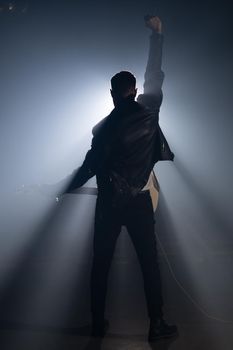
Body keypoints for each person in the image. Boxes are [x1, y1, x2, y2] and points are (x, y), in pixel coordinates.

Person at [62, 15, 178, 342]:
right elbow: (154, 74)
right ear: (135, 91)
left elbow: (86, 169)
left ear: (111, 93)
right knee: (149, 266)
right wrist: (158, 36)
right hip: (141, 202)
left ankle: (98, 325)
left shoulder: (102, 131)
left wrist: (58, 190)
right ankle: (156, 326)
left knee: (100, 265)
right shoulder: (149, 110)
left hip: (110, 204)